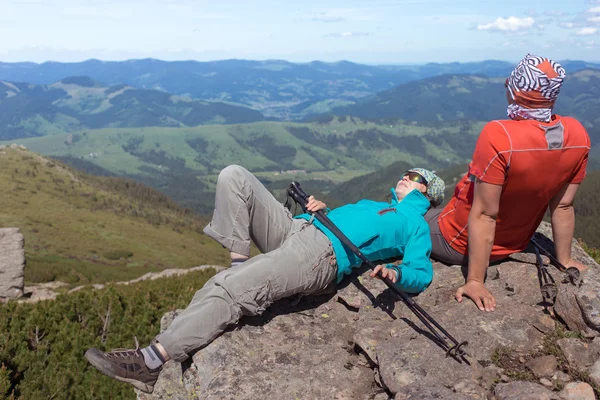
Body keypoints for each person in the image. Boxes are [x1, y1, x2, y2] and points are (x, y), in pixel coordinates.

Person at [85, 164, 445, 393]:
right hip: (300, 228)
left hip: (319, 256)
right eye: (406, 173)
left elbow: (421, 272)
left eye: (415, 178)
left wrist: (397, 272)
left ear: (427, 194)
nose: (405, 177)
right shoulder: (374, 204)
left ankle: (150, 360)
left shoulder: (415, 224)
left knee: (227, 288)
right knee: (234, 176)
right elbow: (353, 225)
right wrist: (323, 211)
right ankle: (239, 263)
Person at [425, 54, 590, 313]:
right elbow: (564, 206)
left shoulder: (499, 135)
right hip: (514, 243)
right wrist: (565, 259)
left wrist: (475, 280)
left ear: (516, 92)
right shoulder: (577, 134)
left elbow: (485, 214)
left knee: (405, 217)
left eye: (509, 84)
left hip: (457, 241)